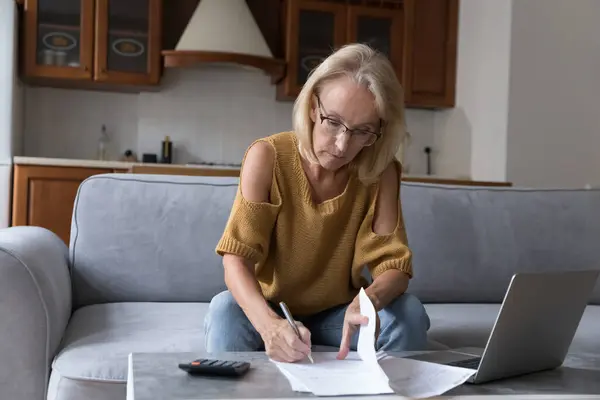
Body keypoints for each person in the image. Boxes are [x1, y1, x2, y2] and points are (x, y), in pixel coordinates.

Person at [204, 43, 430, 363]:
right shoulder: (267, 156)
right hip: (271, 306)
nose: (341, 145)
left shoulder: (381, 171)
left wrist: (368, 301)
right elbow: (235, 260)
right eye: (333, 122)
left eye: (362, 131)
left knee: (408, 311)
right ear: (312, 106)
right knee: (224, 310)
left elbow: (393, 267)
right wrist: (270, 328)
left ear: (378, 131)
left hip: (339, 315)